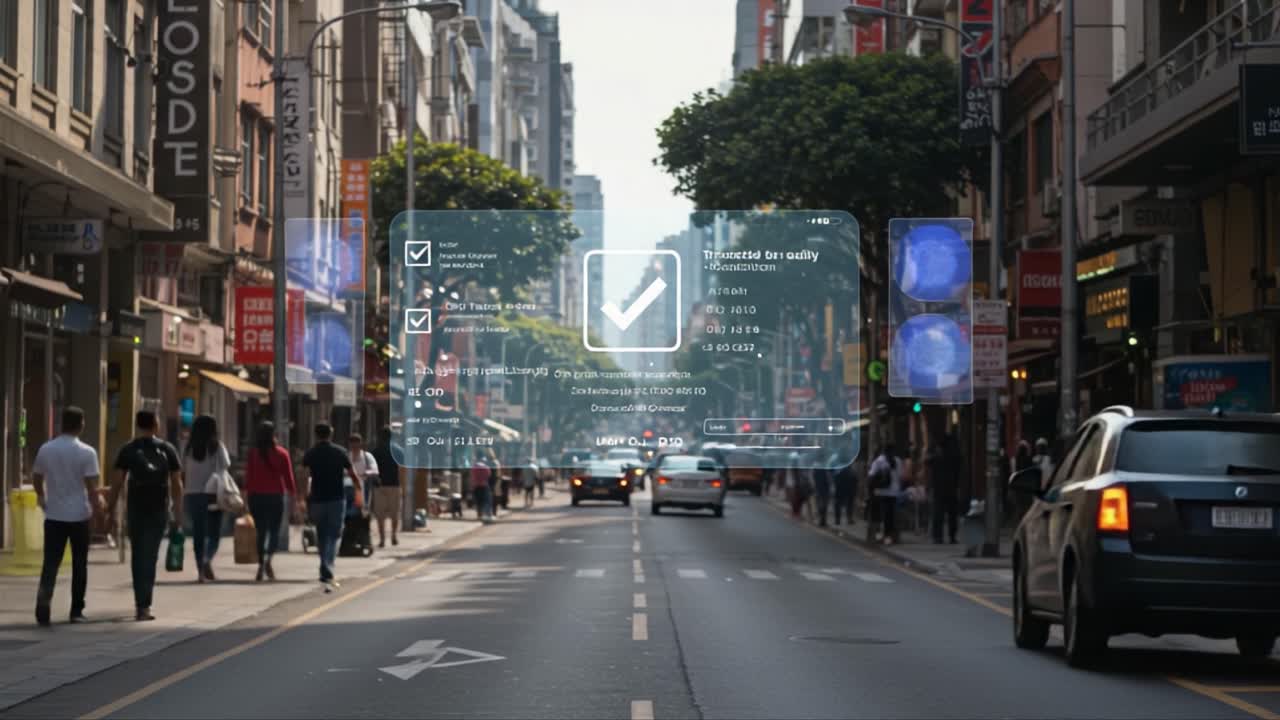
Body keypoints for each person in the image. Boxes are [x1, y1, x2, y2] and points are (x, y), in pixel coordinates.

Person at [107, 411, 182, 621]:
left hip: (136, 509)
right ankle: (145, 606)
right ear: (156, 424)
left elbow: (117, 483)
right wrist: (178, 513)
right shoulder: (167, 449)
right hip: (158, 510)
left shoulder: (129, 449)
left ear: (137, 425)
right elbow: (177, 484)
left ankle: (140, 604)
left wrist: (110, 509)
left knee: (138, 556)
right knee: (150, 556)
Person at [33, 407, 103, 626]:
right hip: (79, 516)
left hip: (53, 515)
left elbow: (36, 477)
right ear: (81, 424)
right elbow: (92, 488)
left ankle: (43, 609)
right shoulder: (87, 452)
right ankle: (76, 611)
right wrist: (98, 511)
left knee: (50, 563)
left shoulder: (46, 449)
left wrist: (42, 498)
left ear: (61, 424)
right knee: (79, 564)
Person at [302, 424, 361, 588]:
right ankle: (327, 565)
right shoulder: (340, 452)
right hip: (336, 498)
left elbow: (305, 476)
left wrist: (302, 497)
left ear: (315, 435)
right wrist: (359, 491)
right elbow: (353, 474)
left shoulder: (311, 453)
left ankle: (324, 564)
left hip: (317, 499)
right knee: (335, 534)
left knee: (321, 534)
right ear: (331, 434)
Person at [244, 421, 299, 582]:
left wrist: (245, 498)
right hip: (275, 497)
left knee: (260, 532)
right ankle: (269, 559)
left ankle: (261, 563)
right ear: (274, 434)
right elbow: (289, 478)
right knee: (274, 531)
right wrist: (293, 499)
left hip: (256, 497)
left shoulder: (253, 453)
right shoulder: (282, 453)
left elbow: (249, 477)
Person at [182, 415, 231, 582]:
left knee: (198, 534)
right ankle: (207, 558)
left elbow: (182, 470)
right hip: (212, 495)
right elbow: (225, 467)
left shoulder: (188, 447)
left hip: (192, 494)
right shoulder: (217, 446)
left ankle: (200, 571)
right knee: (215, 533)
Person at [369, 426, 405, 548]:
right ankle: (394, 536)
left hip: (379, 486)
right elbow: (402, 470)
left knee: (380, 515)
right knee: (395, 514)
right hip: (394, 485)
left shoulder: (375, 451)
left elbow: (371, 470)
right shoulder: (399, 451)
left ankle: (382, 539)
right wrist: (403, 485)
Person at [928, 433, 962, 545]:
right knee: (951, 513)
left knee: (938, 512)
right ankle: (951, 536)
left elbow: (928, 464)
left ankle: (938, 536)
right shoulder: (955, 454)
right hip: (951, 487)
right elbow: (959, 470)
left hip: (939, 487)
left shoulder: (937, 456)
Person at [867, 443, 902, 545]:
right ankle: (888, 537)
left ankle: (879, 536)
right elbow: (900, 476)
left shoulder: (879, 461)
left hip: (880, 492)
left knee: (879, 516)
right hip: (893, 493)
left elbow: (871, 476)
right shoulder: (898, 461)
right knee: (889, 516)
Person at [347, 433, 379, 512]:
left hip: (363, 488)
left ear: (360, 443)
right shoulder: (346, 456)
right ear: (350, 444)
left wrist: (365, 473)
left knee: (362, 511)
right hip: (348, 488)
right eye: (353, 443)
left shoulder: (367, 456)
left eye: (356, 443)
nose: (354, 446)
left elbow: (375, 470)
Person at [470, 453, 492, 520]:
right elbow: (488, 475)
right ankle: (484, 514)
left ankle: (479, 514)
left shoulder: (474, 467)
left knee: (478, 501)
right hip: (484, 485)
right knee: (484, 500)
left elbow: (472, 477)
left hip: (476, 486)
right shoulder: (486, 467)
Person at [812, 458, 832, 527]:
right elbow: (828, 479)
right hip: (824, 488)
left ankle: (822, 520)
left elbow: (813, 478)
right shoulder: (825, 467)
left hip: (818, 488)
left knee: (820, 504)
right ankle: (823, 520)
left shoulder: (815, 467)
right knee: (824, 504)